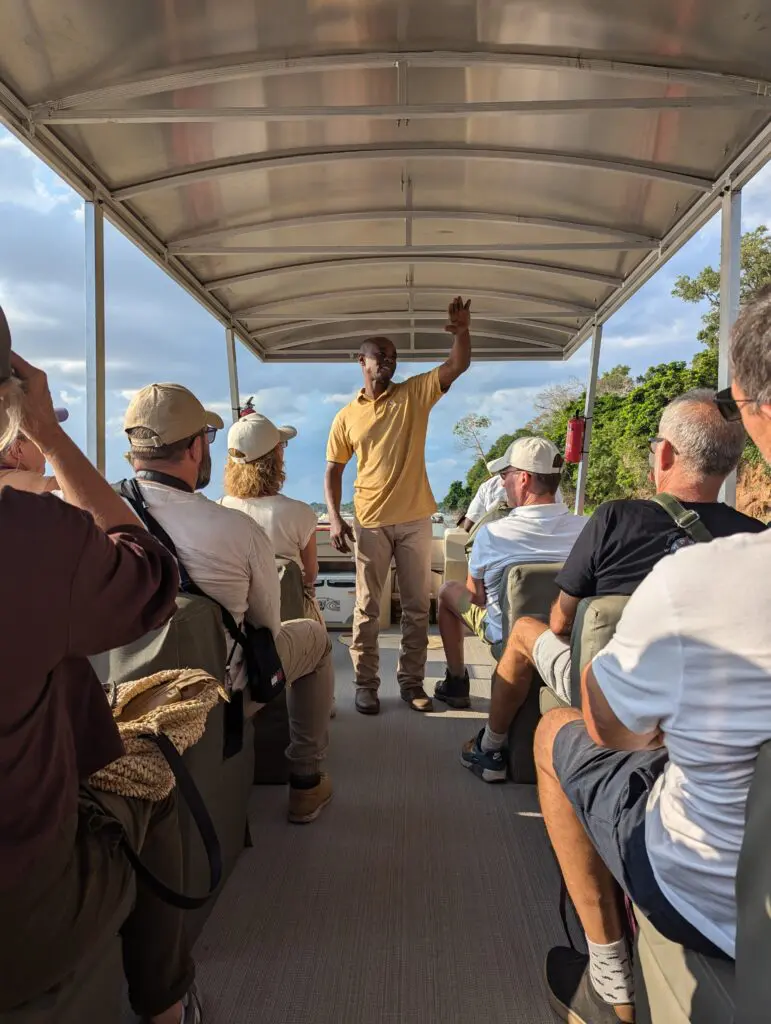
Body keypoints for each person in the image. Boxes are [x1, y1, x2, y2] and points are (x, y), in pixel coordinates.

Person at [536, 291, 771, 1024]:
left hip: (715, 904)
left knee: (555, 732)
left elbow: (611, 730)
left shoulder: (696, 580)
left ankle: (608, 984)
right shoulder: (734, 538)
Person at [0, 323, 201, 1020]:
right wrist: (51, 437)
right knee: (152, 779)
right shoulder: (33, 535)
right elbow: (153, 576)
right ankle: (165, 1007)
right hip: (20, 921)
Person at [462, 389, 765, 785]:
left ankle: (490, 747)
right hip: (712, 694)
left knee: (522, 630)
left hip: (615, 689)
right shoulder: (757, 538)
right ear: (733, 462)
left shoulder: (615, 518)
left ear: (664, 454)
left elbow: (560, 622)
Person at [122, 383, 334, 823]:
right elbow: (269, 628)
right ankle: (306, 781)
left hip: (123, 701)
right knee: (315, 638)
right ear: (196, 447)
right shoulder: (236, 530)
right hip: (217, 697)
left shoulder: (98, 515)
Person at [325, 296, 473, 715]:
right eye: (380, 356)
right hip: (369, 522)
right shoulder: (345, 417)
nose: (388, 362)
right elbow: (333, 470)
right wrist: (334, 518)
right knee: (367, 609)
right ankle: (365, 685)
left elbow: (456, 365)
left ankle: (411, 684)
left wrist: (462, 332)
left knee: (415, 608)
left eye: (393, 356)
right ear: (362, 361)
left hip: (414, 520)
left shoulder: (414, 394)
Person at [435, 437, 586, 728]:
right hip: (569, 634)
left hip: (504, 633)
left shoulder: (492, 535)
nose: (502, 483)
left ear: (524, 479)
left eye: (505, 475)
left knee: (447, 593)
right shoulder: (588, 529)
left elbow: (476, 598)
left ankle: (456, 683)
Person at [219, 411, 319, 605]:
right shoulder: (300, 513)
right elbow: (310, 575)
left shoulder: (220, 509)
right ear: (277, 456)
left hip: (237, 615)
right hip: (288, 610)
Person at [0, 403, 68, 493]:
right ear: (18, 449)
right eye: (44, 440)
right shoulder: (15, 482)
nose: (48, 445)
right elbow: (79, 488)